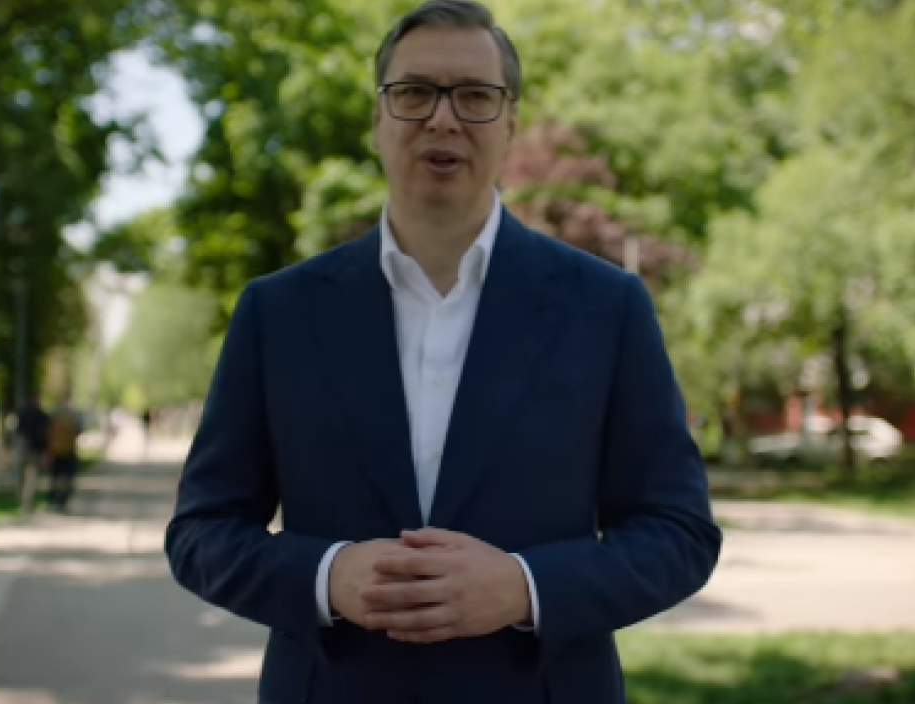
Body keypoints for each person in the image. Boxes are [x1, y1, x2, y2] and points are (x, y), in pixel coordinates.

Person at [165, 2, 722, 703]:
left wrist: (524, 588)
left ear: (510, 124)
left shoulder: (608, 308)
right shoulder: (276, 313)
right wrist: (327, 577)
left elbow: (678, 533)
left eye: (475, 96)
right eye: (415, 92)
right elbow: (202, 532)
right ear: (377, 119)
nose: (443, 118)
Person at [44, 394, 83, 512]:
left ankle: (55, 501)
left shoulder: (53, 414)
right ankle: (62, 501)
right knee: (67, 478)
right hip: (68, 451)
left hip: (55, 451)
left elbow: (47, 433)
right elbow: (79, 431)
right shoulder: (74, 415)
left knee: (55, 478)